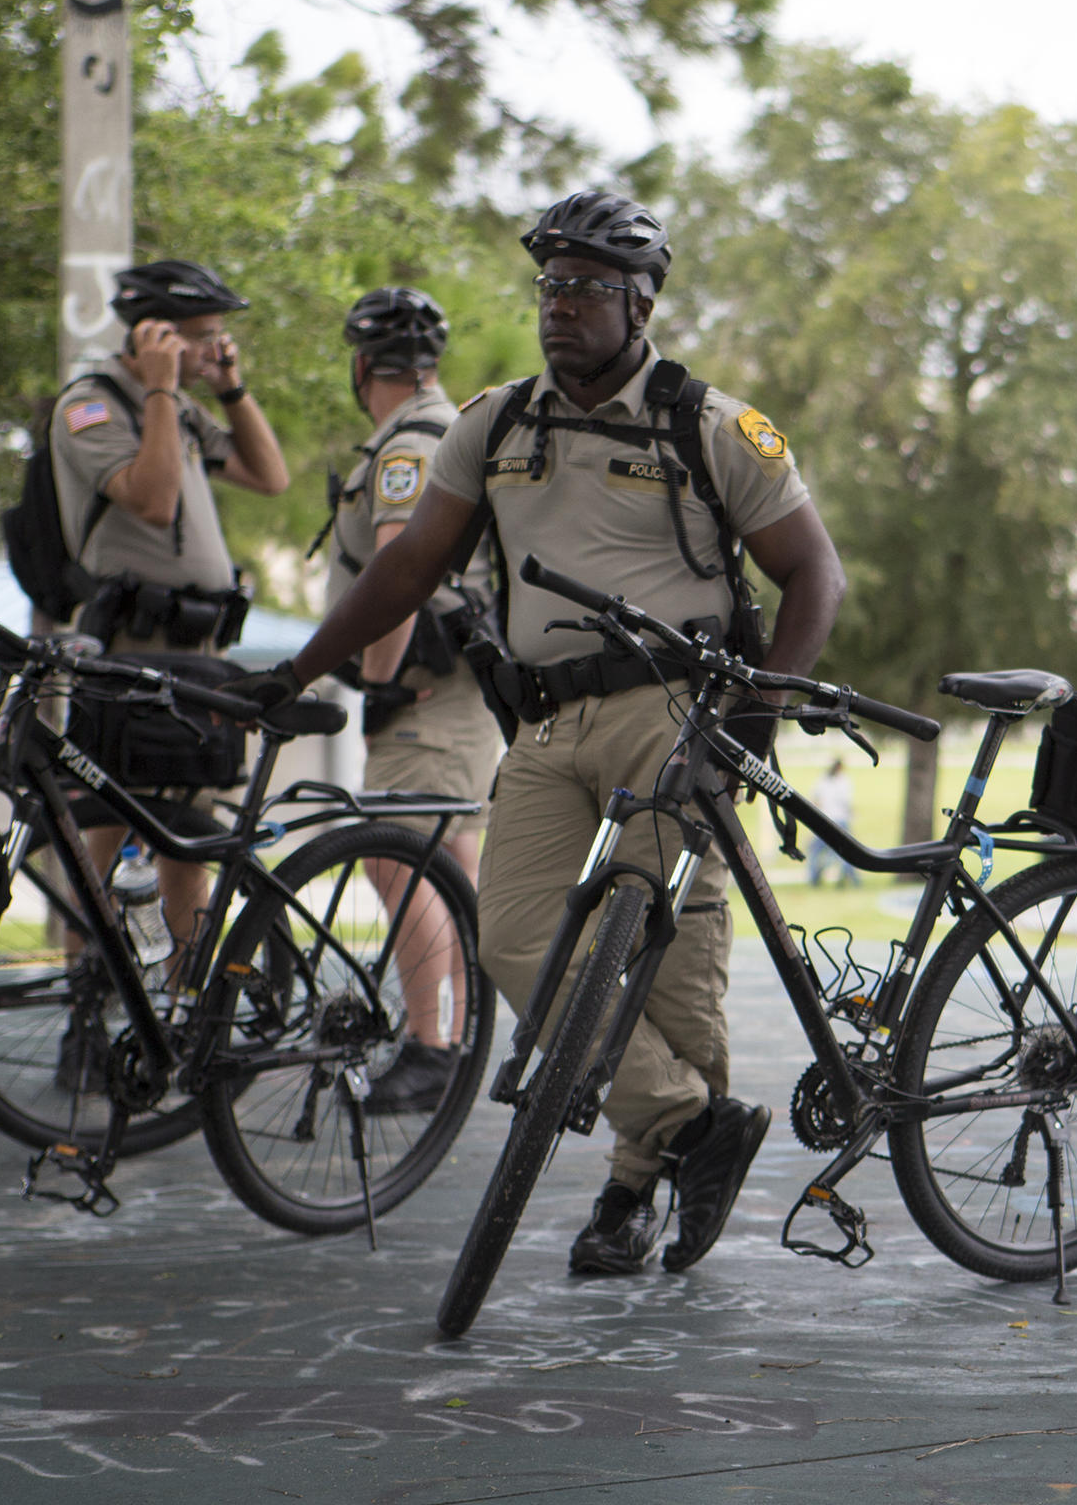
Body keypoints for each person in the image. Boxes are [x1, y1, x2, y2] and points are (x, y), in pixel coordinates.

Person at [229, 191, 846, 1278]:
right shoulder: (495, 422)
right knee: (514, 938)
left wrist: (752, 720)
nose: (559, 307)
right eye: (549, 286)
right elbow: (404, 570)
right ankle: (697, 1126)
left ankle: (627, 1191)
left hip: (677, 707)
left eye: (587, 288)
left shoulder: (707, 423)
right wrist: (294, 670)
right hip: (548, 720)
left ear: (642, 300)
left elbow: (813, 574)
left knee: (669, 959)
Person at [50, 260, 289, 983]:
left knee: (189, 840)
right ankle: (85, 1005)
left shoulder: (181, 408)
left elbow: (268, 476)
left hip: (197, 653)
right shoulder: (92, 406)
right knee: (102, 830)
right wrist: (158, 385)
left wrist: (229, 388)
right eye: (202, 337)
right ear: (153, 336)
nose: (215, 348)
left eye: (220, 336)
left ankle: (184, 1006)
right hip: (126, 652)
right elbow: (151, 500)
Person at [319, 285, 505, 1113]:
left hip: (427, 692)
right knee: (449, 866)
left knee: (394, 857)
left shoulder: (411, 439)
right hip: (458, 694)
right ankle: (456, 1044)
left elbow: (399, 569)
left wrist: (378, 678)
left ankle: (433, 1047)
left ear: (363, 368)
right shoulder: (444, 426)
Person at [805, 759, 860, 887]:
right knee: (844, 851)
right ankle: (851, 879)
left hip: (824, 820)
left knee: (817, 851)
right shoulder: (844, 781)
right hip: (840, 820)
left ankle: (814, 877)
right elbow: (846, 802)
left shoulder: (822, 780)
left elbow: (815, 800)